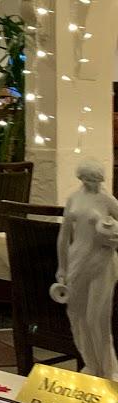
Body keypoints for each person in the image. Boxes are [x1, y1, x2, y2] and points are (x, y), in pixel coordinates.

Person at [54, 159, 118, 382]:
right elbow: (64, 236)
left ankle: (109, 370)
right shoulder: (73, 198)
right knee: (76, 314)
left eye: (97, 180)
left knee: (97, 317)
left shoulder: (107, 200)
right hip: (77, 259)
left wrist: (110, 235)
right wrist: (61, 266)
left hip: (101, 261)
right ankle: (91, 364)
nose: (94, 184)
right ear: (81, 178)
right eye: (89, 180)